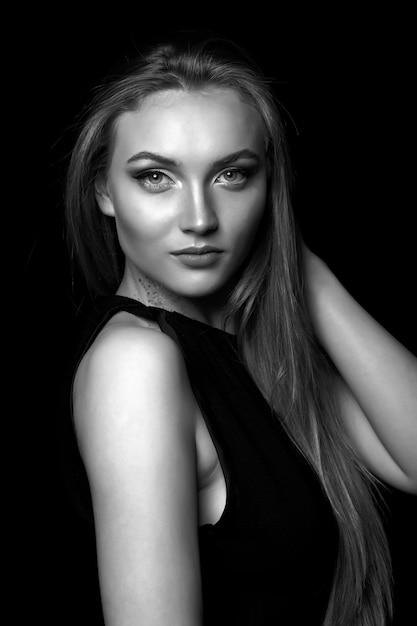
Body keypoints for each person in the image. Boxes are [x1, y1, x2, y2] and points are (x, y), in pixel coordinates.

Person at [62, 35, 417, 626]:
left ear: (268, 187)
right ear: (104, 190)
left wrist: (298, 268)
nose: (200, 219)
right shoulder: (136, 362)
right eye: (156, 177)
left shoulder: (253, 350)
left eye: (231, 175)